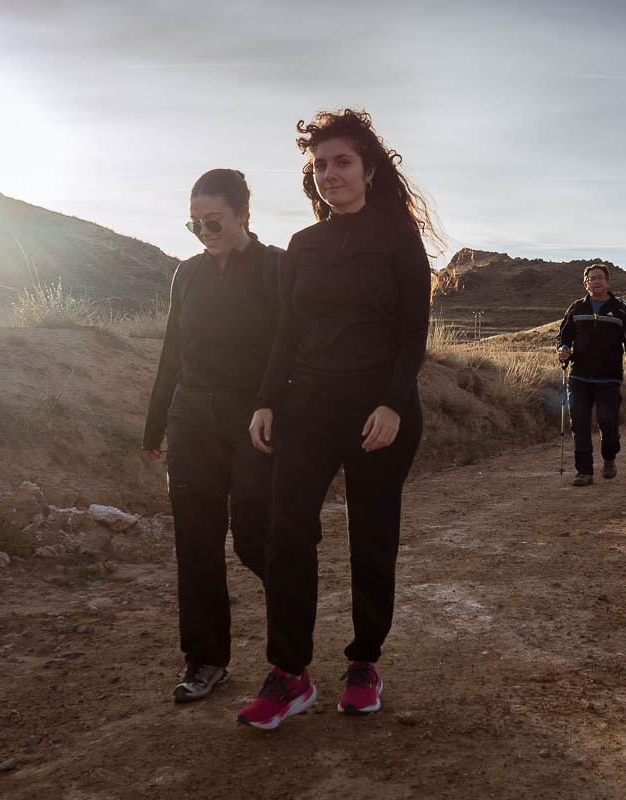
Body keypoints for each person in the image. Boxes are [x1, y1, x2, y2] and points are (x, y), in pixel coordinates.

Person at [238, 109, 438, 730]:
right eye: (320, 165)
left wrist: (392, 403)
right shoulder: (303, 245)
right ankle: (289, 673)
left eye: (342, 162)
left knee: (371, 537)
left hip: (379, 410)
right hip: (308, 406)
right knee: (285, 532)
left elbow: (412, 335)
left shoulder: (399, 239)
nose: (330, 174)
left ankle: (363, 663)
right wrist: (266, 398)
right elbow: (286, 332)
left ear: (369, 169)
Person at [142, 169, 283, 703]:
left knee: (253, 534)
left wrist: (276, 405)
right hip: (192, 417)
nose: (204, 231)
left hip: (255, 418)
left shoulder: (275, 268)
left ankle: (290, 648)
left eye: (214, 221)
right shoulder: (187, 274)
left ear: (244, 214)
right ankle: (206, 661)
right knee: (196, 540)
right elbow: (172, 352)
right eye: (194, 223)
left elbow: (290, 346)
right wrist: (156, 422)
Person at [555, 264, 626, 485]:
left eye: (600, 278)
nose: (596, 282)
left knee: (607, 421)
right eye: (591, 279)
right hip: (579, 376)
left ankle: (609, 456)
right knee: (580, 424)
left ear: (608, 281)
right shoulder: (577, 308)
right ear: (585, 284)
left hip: (609, 378)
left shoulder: (621, 308)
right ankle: (584, 471)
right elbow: (563, 336)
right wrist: (563, 350)